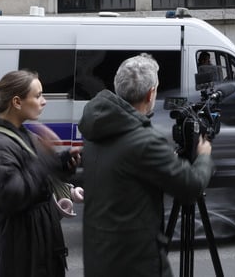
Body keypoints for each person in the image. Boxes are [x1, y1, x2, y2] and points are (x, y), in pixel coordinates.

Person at [79, 53, 215, 277]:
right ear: (151, 93)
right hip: (135, 264)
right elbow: (191, 187)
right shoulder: (144, 141)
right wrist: (204, 156)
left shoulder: (96, 129)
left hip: (99, 260)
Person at [0, 70, 82, 277]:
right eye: (38, 95)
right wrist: (45, 160)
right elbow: (11, 195)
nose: (44, 101)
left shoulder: (24, 134)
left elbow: (36, 174)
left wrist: (62, 163)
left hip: (35, 243)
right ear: (17, 102)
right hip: (17, 249)